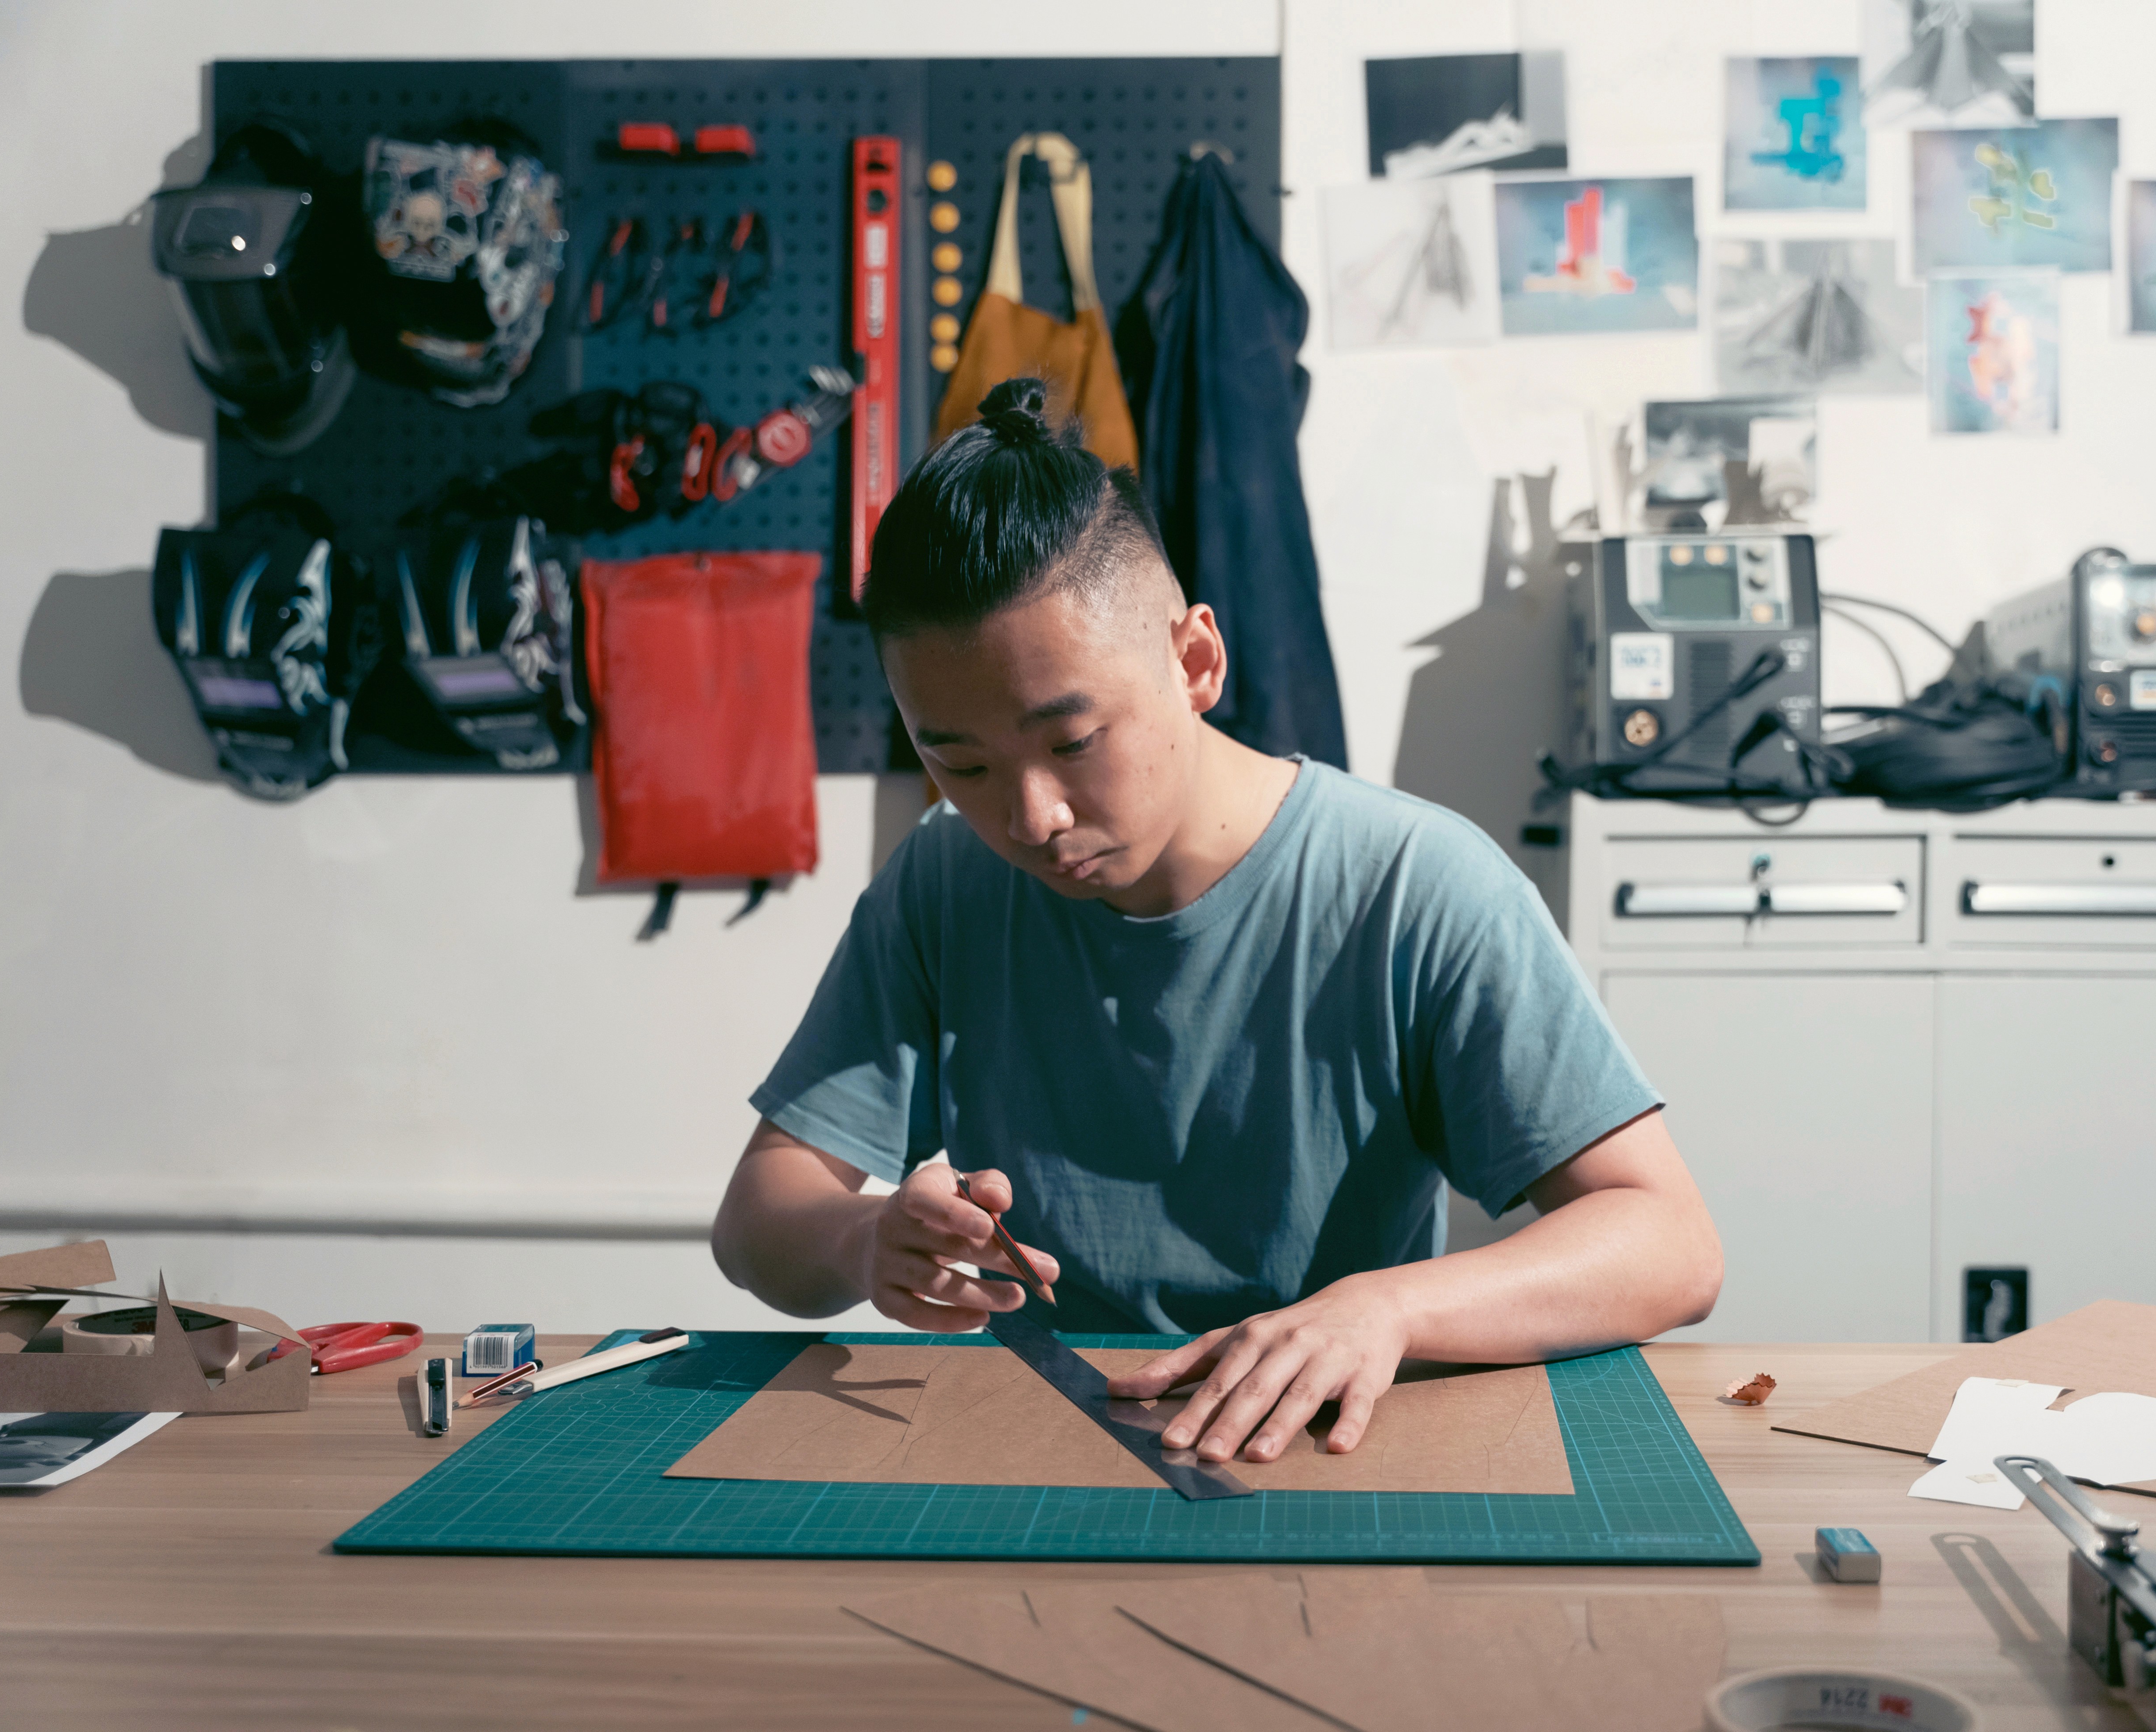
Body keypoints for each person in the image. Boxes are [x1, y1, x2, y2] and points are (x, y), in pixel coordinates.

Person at [713, 378, 1722, 1467]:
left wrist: (1386, 1309)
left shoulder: (1416, 886)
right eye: (957, 763)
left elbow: (1668, 1243)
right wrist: (868, 1239)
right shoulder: (944, 884)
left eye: (1071, 742)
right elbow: (759, 1222)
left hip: (1317, 1452)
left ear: (1195, 662)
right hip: (1036, 1446)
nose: (1028, 816)